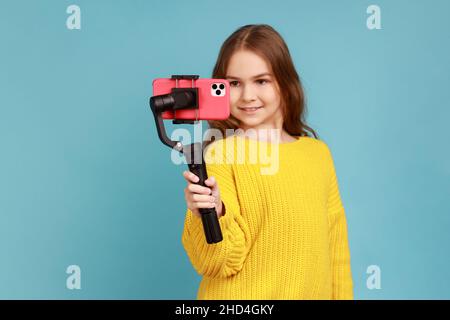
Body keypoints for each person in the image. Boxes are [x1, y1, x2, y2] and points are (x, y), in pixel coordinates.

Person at [181, 24, 353, 299]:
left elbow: (336, 252)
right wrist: (214, 212)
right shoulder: (219, 155)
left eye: (261, 81)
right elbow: (217, 263)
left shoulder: (318, 155)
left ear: (284, 83)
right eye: (234, 83)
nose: (247, 95)